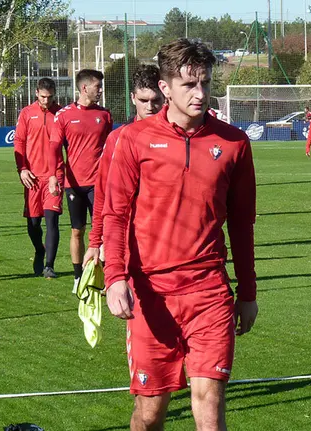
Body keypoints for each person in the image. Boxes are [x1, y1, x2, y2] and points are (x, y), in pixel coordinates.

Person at [103, 38, 258, 431]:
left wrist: (248, 292)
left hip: (209, 293)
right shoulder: (134, 140)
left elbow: (241, 224)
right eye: (189, 85)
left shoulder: (234, 143)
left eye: (205, 83)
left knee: (210, 402)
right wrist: (115, 279)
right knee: (151, 411)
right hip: (150, 296)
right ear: (165, 87)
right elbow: (115, 214)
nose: (200, 93)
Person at [83, 64, 165, 267]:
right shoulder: (117, 139)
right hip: (129, 242)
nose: (149, 107)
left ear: (165, 97)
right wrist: (95, 241)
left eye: (156, 101)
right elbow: (102, 192)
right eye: (143, 100)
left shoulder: (179, 138)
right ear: (132, 98)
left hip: (170, 241)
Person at [48, 69, 112, 287]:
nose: (101, 91)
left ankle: (102, 277)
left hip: (100, 184)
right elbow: (55, 147)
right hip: (74, 185)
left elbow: (111, 148)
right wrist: (53, 176)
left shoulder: (104, 115)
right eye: (98, 86)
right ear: (84, 88)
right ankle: (78, 277)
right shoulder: (64, 115)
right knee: (78, 230)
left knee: (103, 232)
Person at [14, 77, 63, 278]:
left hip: (55, 175)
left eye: (50, 97)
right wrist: (22, 169)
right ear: (37, 93)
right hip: (32, 176)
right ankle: (39, 250)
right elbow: (19, 141)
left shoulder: (61, 113)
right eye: (43, 97)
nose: (46, 101)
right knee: (33, 224)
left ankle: (49, 265)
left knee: (52, 220)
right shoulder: (26, 113)